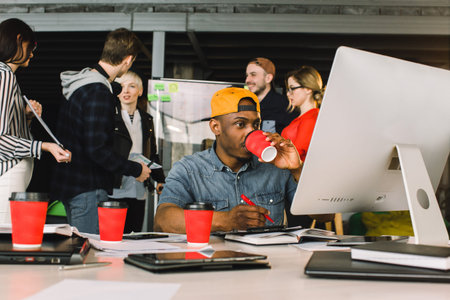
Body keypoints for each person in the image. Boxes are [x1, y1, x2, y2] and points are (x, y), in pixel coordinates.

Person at [154, 87, 312, 233]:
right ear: (216, 127)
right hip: (214, 261)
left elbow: (325, 216)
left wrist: (296, 168)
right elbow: (162, 220)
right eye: (240, 124)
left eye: (256, 124)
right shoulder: (190, 169)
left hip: (269, 260)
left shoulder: (275, 165)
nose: (251, 132)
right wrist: (225, 220)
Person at [51, 28, 151, 234]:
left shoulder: (82, 84)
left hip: (71, 184)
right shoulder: (98, 92)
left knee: (81, 253)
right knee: (91, 255)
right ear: (128, 59)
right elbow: (97, 150)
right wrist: (136, 169)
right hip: (88, 189)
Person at [0, 18, 71, 223]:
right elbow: (1, 140)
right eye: (31, 45)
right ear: (18, 40)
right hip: (7, 173)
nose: (33, 52)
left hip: (8, 173)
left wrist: (25, 117)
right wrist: (45, 146)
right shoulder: (5, 76)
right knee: (7, 243)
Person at [109, 71, 165, 233]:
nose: (126, 91)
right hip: (116, 184)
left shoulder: (147, 119)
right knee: (114, 235)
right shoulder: (110, 117)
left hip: (139, 185)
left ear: (140, 91)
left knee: (134, 233)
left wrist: (160, 180)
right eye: (121, 86)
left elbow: (152, 153)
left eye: (132, 86)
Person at [281, 66, 325, 162]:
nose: (288, 94)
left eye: (292, 88)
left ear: (308, 89)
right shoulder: (306, 118)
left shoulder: (310, 119)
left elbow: (296, 155)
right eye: (288, 89)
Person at [245, 57, 298, 134]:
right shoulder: (246, 106)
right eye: (247, 75)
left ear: (268, 78)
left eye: (253, 75)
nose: (247, 80)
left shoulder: (286, 106)